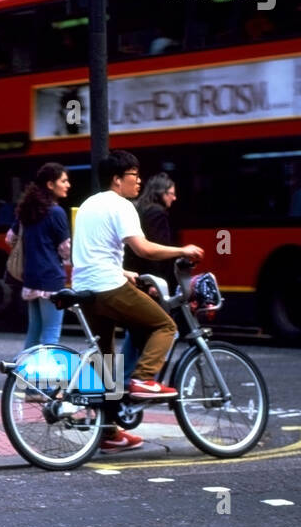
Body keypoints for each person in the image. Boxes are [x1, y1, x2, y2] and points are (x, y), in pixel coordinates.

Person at [70, 151, 204, 453]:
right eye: (134, 174)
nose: (139, 180)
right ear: (117, 179)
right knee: (164, 325)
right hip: (107, 287)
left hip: (85, 287)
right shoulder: (122, 206)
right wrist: (181, 249)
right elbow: (143, 249)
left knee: (106, 363)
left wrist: (123, 271)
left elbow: (92, 251)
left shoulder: (90, 203)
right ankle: (144, 379)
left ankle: (108, 433)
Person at [6, 162, 72, 349]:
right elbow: (65, 249)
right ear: (50, 185)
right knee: (51, 333)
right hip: (51, 278)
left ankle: (21, 374)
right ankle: (46, 376)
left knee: (34, 331)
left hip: (30, 277)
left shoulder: (26, 210)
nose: (68, 185)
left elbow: (10, 238)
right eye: (64, 181)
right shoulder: (57, 212)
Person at [121, 172, 178, 373]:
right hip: (148, 280)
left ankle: (125, 379)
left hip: (136, 277)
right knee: (161, 327)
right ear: (161, 193)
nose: (174, 197)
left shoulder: (139, 209)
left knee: (136, 329)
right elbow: (155, 249)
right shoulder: (156, 213)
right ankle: (135, 378)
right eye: (171, 193)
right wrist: (156, 282)